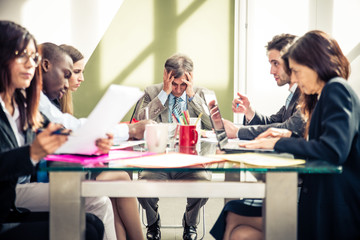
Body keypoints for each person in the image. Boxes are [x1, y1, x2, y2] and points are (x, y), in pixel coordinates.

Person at [214, 30, 360, 240]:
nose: (296, 79)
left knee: (235, 222)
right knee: (236, 225)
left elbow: (333, 150)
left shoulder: (336, 89)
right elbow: (322, 146)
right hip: (322, 201)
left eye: (298, 71)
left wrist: (278, 143)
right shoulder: (325, 94)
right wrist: (285, 139)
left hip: (335, 210)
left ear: (314, 64)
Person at [0, 20, 104, 240]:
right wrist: (31, 154)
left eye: (33, 58)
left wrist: (96, 140)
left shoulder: (23, 105)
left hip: (10, 207)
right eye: (22, 56)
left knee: (92, 223)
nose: (31, 65)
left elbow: (61, 133)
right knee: (85, 228)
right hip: (5, 211)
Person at [58, 44, 144, 240]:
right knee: (120, 179)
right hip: (60, 178)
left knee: (116, 187)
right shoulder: (50, 103)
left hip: (69, 170)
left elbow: (71, 135)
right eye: (77, 72)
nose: (82, 78)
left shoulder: (61, 101)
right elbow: (71, 133)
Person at [134, 53, 212, 240]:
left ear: (191, 79)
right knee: (141, 186)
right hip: (157, 161)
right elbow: (139, 121)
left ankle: (190, 222)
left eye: (183, 85)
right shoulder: (152, 92)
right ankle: (153, 222)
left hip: (190, 162)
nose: (178, 90)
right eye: (174, 84)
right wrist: (164, 94)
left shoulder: (202, 94)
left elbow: (212, 125)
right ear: (166, 76)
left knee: (205, 186)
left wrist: (192, 96)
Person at [223, 34, 305, 140]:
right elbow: (273, 123)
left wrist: (238, 132)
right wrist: (249, 112)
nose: (272, 71)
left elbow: (286, 128)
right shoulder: (293, 95)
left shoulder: (307, 95)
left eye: (276, 63)